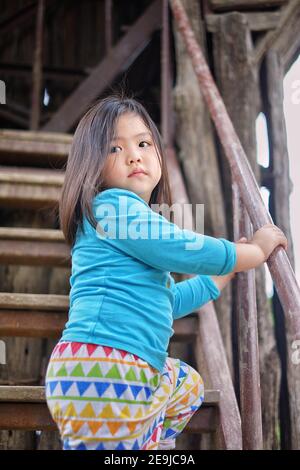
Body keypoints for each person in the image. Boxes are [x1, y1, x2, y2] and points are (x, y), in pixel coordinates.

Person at [44, 91, 288, 451]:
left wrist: (219, 279)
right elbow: (182, 248)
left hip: (124, 370)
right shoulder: (112, 208)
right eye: (114, 149)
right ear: (90, 166)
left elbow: (164, 301)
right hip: (104, 364)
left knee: (187, 385)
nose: (133, 155)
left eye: (143, 143)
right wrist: (250, 252)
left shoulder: (130, 226)